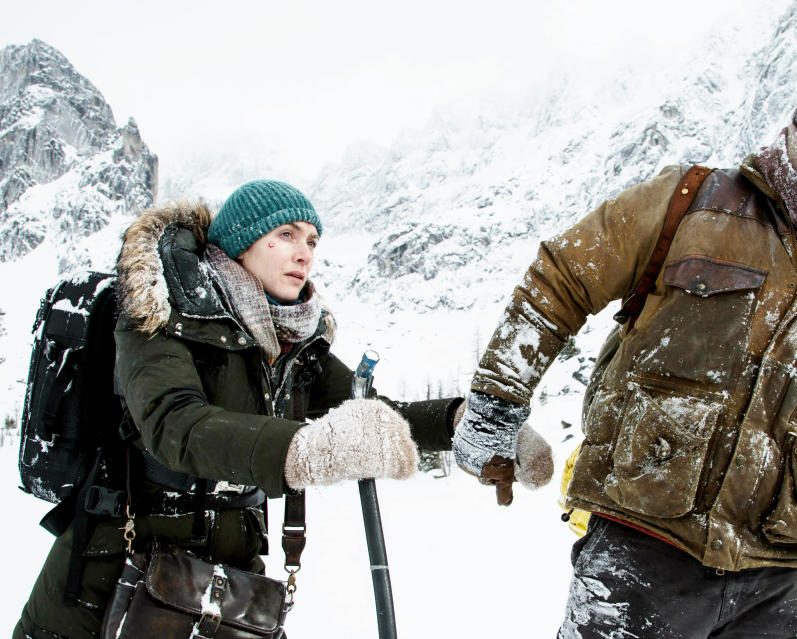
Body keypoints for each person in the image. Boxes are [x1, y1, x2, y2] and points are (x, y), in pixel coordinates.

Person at [453, 61, 797, 638]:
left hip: (779, 585)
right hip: (643, 548)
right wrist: (496, 401)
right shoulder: (690, 200)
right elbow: (562, 279)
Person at [14, 179, 464, 638]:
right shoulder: (159, 309)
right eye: (286, 234)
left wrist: (462, 424)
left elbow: (376, 415)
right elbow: (176, 424)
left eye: (312, 240)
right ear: (242, 241)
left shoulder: (295, 341)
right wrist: (308, 449)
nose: (304, 253)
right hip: (111, 580)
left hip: (229, 587)